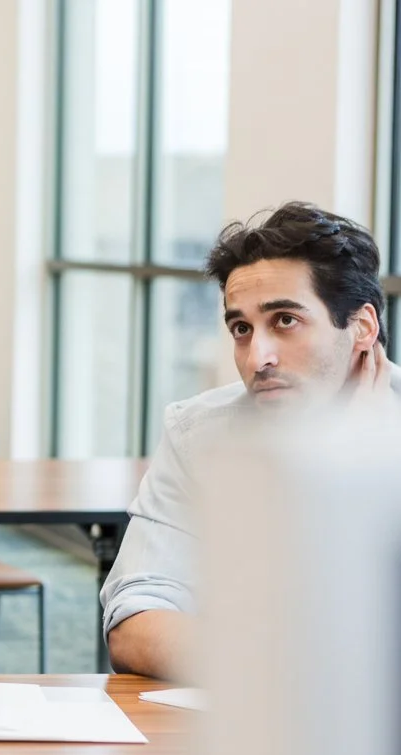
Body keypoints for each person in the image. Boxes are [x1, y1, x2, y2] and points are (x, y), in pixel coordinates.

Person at [100, 201, 398, 681]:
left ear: (362, 327)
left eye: (285, 321)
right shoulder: (200, 433)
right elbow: (136, 623)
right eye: (242, 329)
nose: (258, 357)